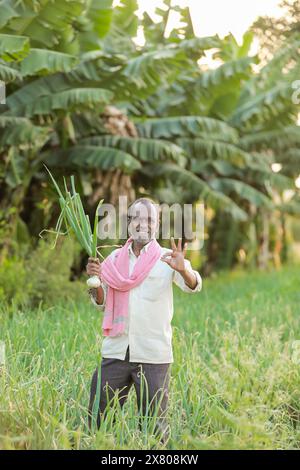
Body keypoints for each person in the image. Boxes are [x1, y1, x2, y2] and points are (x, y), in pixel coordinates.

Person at [86, 197, 202, 445]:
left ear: (157, 226)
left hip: (153, 355)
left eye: (149, 219)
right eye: (136, 218)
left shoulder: (167, 258)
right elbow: (101, 302)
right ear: (129, 223)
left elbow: (193, 285)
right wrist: (95, 281)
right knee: (98, 416)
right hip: (117, 350)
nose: (143, 224)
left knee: (153, 428)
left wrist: (183, 269)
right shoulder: (114, 259)